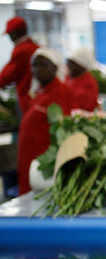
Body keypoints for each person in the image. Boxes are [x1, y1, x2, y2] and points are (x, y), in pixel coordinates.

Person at [17, 48, 74, 195]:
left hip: (45, 164)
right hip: (30, 159)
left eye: (43, 65)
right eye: (34, 65)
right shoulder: (39, 92)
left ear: (55, 67)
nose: (37, 70)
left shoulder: (61, 93)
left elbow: (66, 129)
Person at [0, 17, 39, 113]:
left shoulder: (21, 50)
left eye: (9, 34)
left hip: (26, 96)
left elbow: (8, 74)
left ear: (15, 33)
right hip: (36, 96)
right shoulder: (35, 46)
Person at [65, 47, 99, 112]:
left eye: (72, 64)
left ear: (81, 66)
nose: (68, 66)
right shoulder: (68, 78)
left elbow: (84, 108)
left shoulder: (88, 83)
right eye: (68, 63)